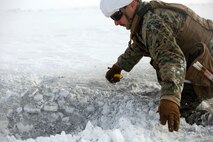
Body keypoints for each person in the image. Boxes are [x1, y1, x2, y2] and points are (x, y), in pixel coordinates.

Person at [100, 0, 213, 132]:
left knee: (177, 112)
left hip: (207, 65)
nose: (116, 23)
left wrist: (170, 98)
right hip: (202, 60)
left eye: (117, 16)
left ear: (132, 4)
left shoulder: (152, 24)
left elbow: (172, 59)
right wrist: (119, 66)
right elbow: (141, 44)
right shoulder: (146, 16)